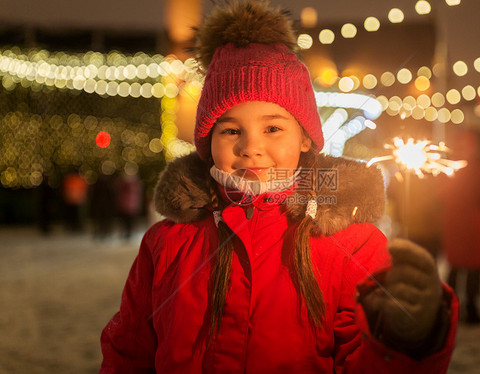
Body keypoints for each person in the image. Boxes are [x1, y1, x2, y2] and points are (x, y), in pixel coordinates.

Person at [99, 1, 458, 372]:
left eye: (273, 128)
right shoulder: (167, 243)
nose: (251, 147)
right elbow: (130, 350)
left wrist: (404, 342)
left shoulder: (352, 244)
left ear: (304, 139)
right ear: (208, 143)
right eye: (231, 130)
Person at [440, 129, 480, 324]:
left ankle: (448, 307)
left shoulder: (451, 168)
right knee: (474, 270)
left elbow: (440, 195)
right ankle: (471, 308)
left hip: (456, 223)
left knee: (456, 267)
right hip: (476, 224)